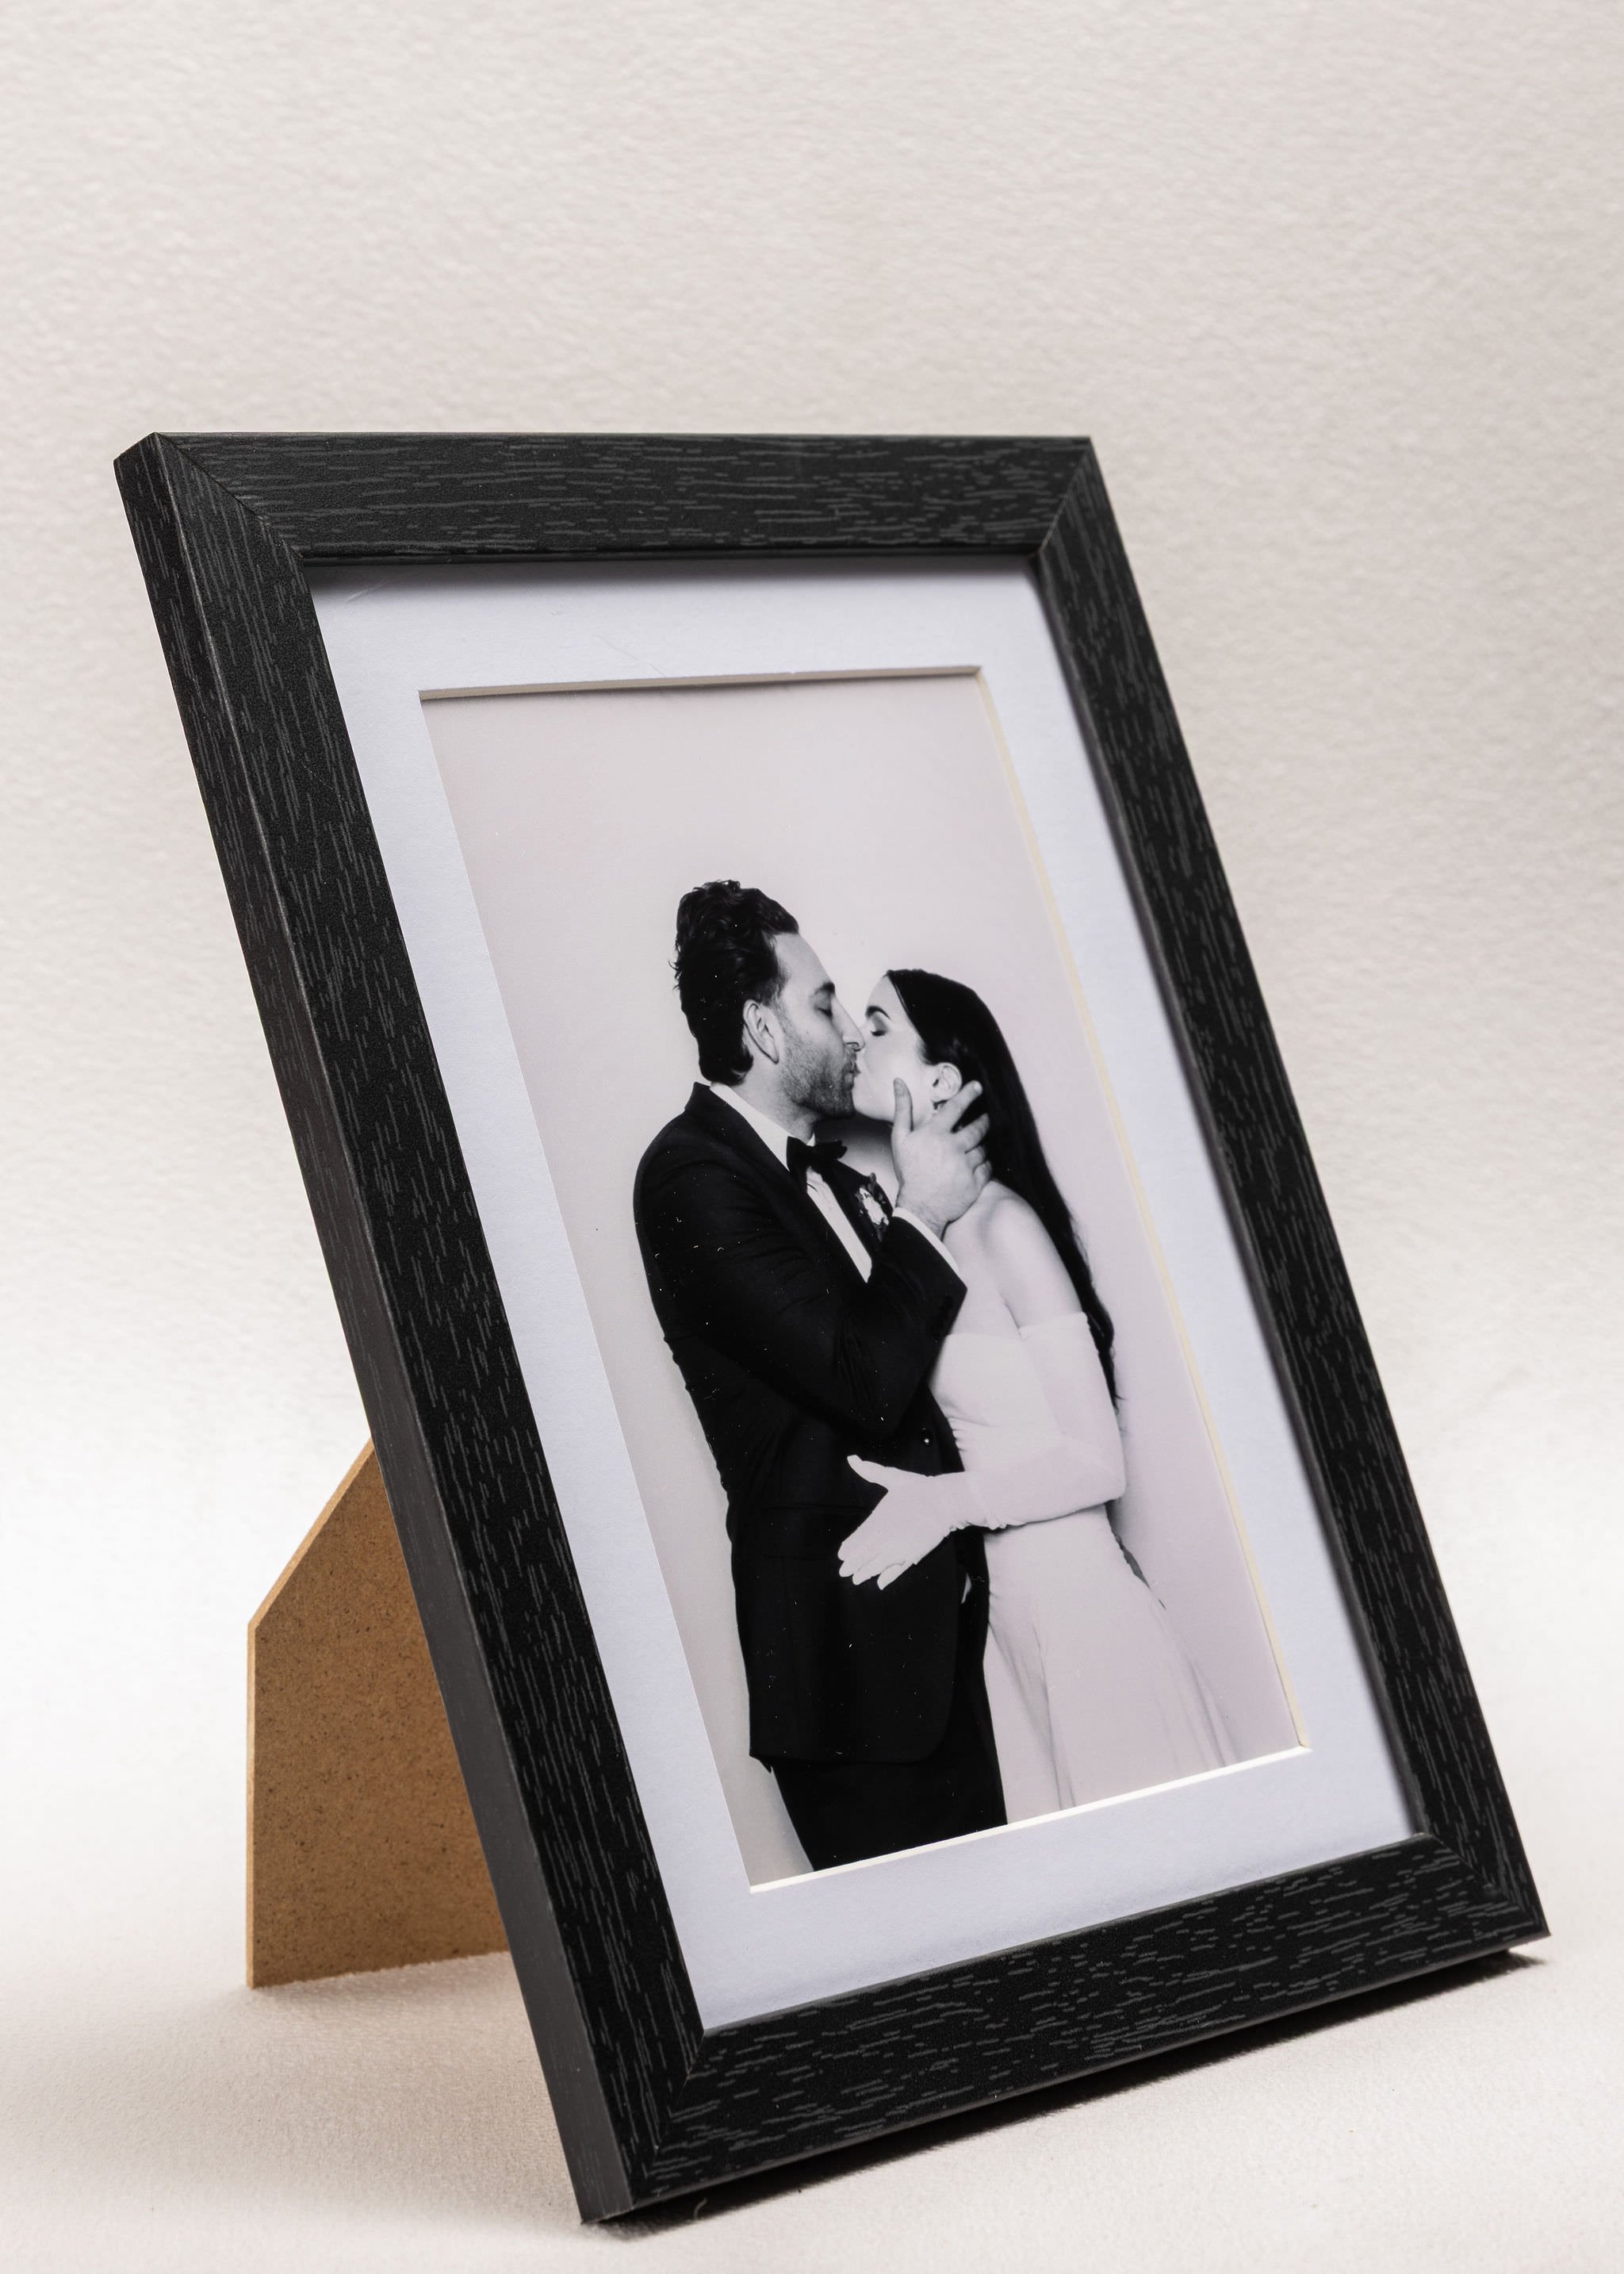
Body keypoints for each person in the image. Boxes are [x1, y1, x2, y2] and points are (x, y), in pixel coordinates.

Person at [633, 884, 1007, 1870]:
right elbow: (864, 1382)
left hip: (944, 1641)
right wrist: (923, 1214)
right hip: (853, 1688)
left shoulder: (830, 1171)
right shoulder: (688, 1177)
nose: (845, 1030)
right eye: (823, 1004)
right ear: (760, 1026)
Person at [838, 969, 1233, 1821]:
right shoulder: (922, 1237)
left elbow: (1097, 1460)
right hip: (1009, 1630)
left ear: (940, 1080)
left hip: (1082, 1618)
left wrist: (945, 1503)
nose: (852, 1039)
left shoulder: (1004, 1226)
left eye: (876, 1025)